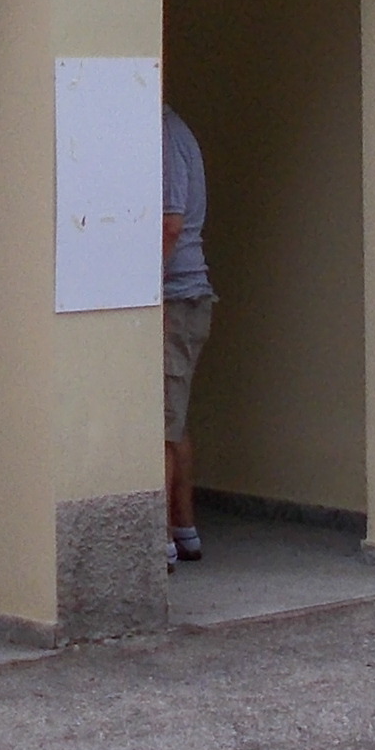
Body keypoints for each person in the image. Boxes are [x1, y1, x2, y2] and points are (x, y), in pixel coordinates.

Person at [161, 106, 212, 563]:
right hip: (187, 297)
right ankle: (185, 529)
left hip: (175, 299)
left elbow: (170, 224)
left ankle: (159, 541)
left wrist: (140, 285)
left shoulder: (164, 134)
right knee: (173, 423)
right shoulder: (176, 130)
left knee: (161, 426)